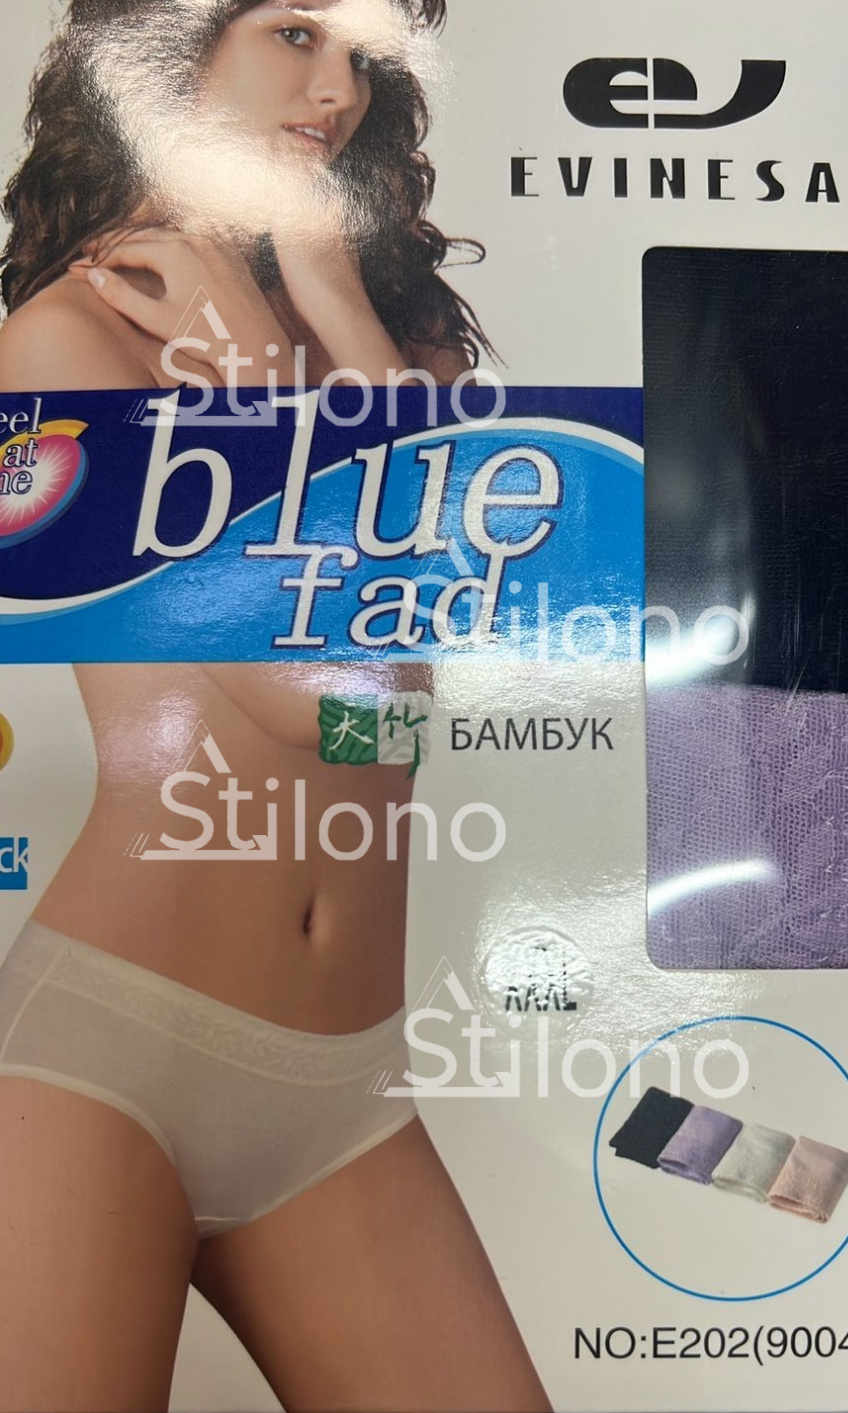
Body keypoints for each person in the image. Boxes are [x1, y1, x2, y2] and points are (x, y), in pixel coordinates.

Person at [0, 3, 550, 1411]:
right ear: (170, 48)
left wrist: (332, 315)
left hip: (343, 1089)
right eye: (296, 32)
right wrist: (256, 385)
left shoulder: (391, 340)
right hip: (103, 1057)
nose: (336, 90)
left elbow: (412, 703)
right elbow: (318, 701)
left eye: (365, 55)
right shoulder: (67, 337)